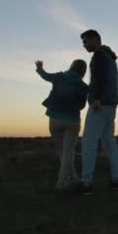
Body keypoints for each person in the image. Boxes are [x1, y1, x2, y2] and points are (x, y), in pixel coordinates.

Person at [77, 29, 118, 195]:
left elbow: (98, 78)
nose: (84, 46)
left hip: (100, 104)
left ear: (94, 39)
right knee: (110, 142)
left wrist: (95, 98)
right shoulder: (110, 57)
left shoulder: (99, 55)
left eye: (85, 42)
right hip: (111, 105)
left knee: (89, 142)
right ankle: (116, 179)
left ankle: (86, 183)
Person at [35, 59, 89, 190]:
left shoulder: (59, 77)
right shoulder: (83, 86)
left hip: (55, 119)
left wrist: (40, 68)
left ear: (71, 66)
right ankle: (65, 181)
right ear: (83, 71)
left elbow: (46, 76)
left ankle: (68, 180)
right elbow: (82, 106)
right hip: (72, 121)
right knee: (68, 152)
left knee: (63, 152)